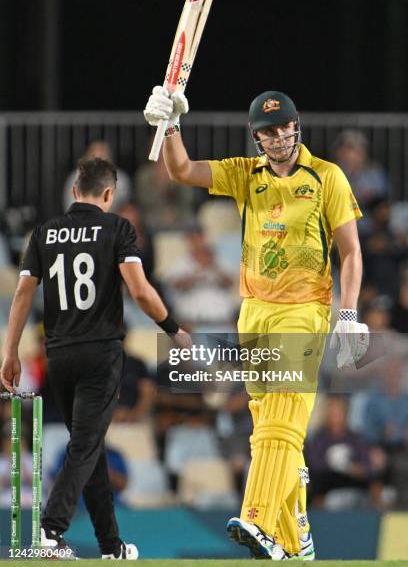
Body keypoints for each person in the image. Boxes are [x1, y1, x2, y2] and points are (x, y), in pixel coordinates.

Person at [144, 86, 369, 560]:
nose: (280, 135)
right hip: (254, 312)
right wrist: (171, 126)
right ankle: (296, 534)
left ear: (297, 124)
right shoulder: (247, 175)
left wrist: (348, 313)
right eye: (269, 130)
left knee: (282, 423)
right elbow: (182, 170)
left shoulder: (327, 176)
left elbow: (351, 251)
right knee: (268, 421)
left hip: (305, 310)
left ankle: (258, 519)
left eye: (286, 125)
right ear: (257, 137)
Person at [0, 157, 191, 559]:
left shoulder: (45, 233)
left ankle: (111, 545)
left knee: (90, 446)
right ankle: (50, 532)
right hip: (100, 354)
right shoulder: (118, 227)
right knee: (85, 446)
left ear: (74, 191)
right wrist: (173, 329)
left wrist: (11, 350)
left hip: (59, 356)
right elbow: (139, 292)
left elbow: (22, 294)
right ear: (110, 194)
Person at [62, 140, 132, 212]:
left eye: (103, 154)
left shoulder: (121, 178)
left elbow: (125, 208)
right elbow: (71, 208)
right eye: (95, 155)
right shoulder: (75, 178)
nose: (99, 160)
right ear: (86, 156)